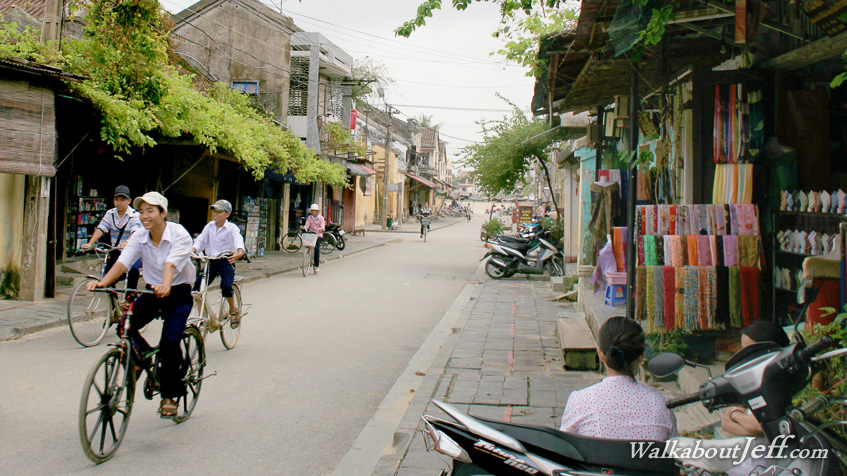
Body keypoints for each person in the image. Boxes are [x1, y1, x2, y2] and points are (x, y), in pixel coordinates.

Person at [87, 192, 195, 418]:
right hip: (152, 290)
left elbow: (171, 264)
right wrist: (102, 283)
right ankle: (142, 357)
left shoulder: (179, 234)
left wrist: (166, 285)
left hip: (178, 291)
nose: (145, 216)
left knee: (170, 341)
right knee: (123, 326)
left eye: (150, 211)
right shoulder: (139, 235)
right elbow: (123, 263)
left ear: (163, 214)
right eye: (142, 211)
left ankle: (170, 395)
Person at [559, 317, 678, 440]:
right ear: (642, 356)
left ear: (600, 353)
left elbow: (564, 448)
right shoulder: (661, 404)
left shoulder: (580, 401)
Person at [721, 321, 790, 437]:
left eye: (750, 351)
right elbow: (725, 424)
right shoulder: (749, 379)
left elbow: (759, 426)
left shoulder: (784, 380)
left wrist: (735, 415)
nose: (744, 357)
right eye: (743, 350)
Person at [192, 199, 245, 328]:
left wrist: (239, 252)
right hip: (211, 261)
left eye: (219, 211)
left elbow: (239, 242)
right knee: (197, 287)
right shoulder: (209, 226)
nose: (215, 214)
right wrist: (192, 250)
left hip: (226, 261)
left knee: (226, 287)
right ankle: (202, 316)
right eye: (214, 211)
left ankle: (233, 311)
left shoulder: (232, 228)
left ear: (227, 214)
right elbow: (200, 241)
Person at [81, 185, 142, 289]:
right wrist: (90, 243)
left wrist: (127, 242)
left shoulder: (135, 215)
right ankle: (112, 300)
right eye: (116, 199)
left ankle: (129, 298)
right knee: (107, 274)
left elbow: (136, 233)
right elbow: (101, 228)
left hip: (132, 251)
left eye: (122, 200)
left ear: (129, 200)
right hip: (116, 250)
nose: (119, 203)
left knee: (132, 272)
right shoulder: (110, 213)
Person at [302, 203, 325, 273]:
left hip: (318, 235)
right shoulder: (309, 217)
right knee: (308, 245)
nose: (313, 212)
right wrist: (304, 227)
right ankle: (308, 257)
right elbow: (307, 225)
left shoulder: (321, 218)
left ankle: (317, 266)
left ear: (317, 211)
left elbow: (322, 226)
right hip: (311, 234)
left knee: (317, 249)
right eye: (312, 211)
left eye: (315, 211)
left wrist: (322, 229)